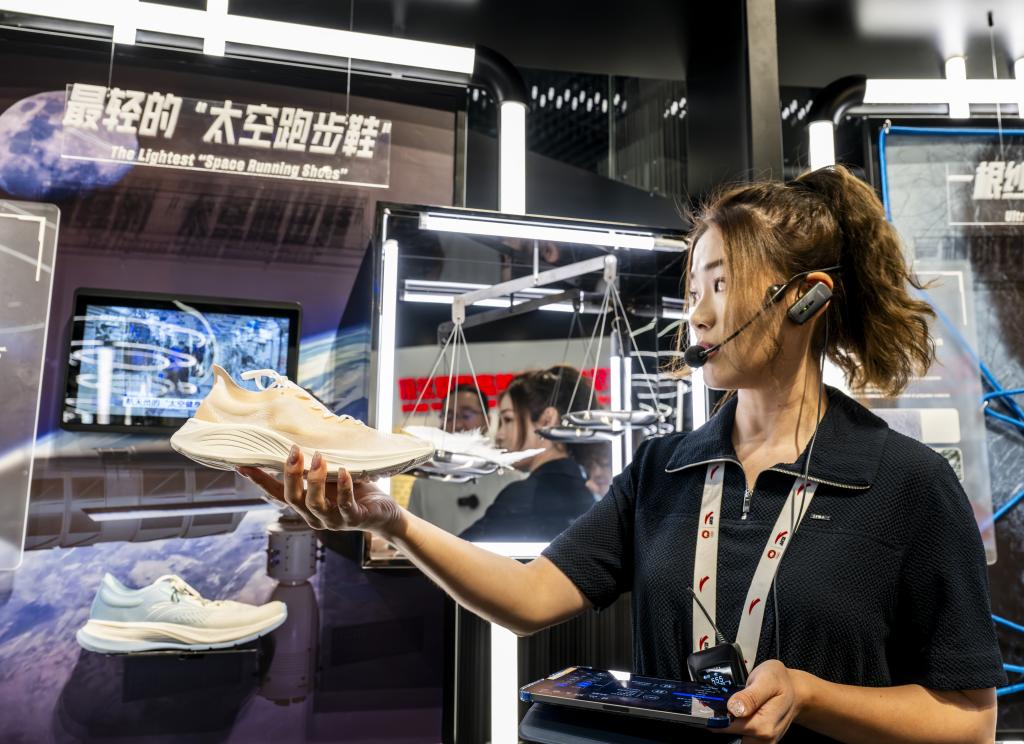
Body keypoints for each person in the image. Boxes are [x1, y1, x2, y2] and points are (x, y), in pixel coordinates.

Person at [240, 166, 1003, 743]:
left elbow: (969, 720)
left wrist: (811, 694)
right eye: (693, 287)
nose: (697, 314)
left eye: (721, 285)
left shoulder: (907, 484)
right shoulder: (662, 471)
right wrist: (389, 520)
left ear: (806, 298)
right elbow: (530, 597)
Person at [458, 366, 600, 542]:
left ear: (547, 420)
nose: (500, 435)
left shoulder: (523, 496)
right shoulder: (586, 494)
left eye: (508, 419)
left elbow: (459, 552)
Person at [406, 383, 523, 536]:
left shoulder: (512, 480)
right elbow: (411, 537)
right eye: (449, 417)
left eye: (466, 415)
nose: (457, 424)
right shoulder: (423, 485)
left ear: (487, 421)